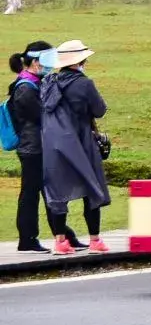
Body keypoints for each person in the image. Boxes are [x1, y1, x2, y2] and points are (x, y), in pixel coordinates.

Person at [39, 40, 109, 254]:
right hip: (81, 140)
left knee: (58, 192)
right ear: (81, 60)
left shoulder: (49, 81)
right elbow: (99, 110)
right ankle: (95, 240)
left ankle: (61, 241)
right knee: (91, 187)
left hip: (53, 144)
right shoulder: (84, 84)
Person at [8, 42, 51, 252]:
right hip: (32, 148)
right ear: (35, 62)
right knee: (31, 193)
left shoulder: (32, 82)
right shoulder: (26, 88)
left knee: (43, 191)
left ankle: (62, 234)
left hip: (35, 146)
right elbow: (42, 115)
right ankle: (27, 238)